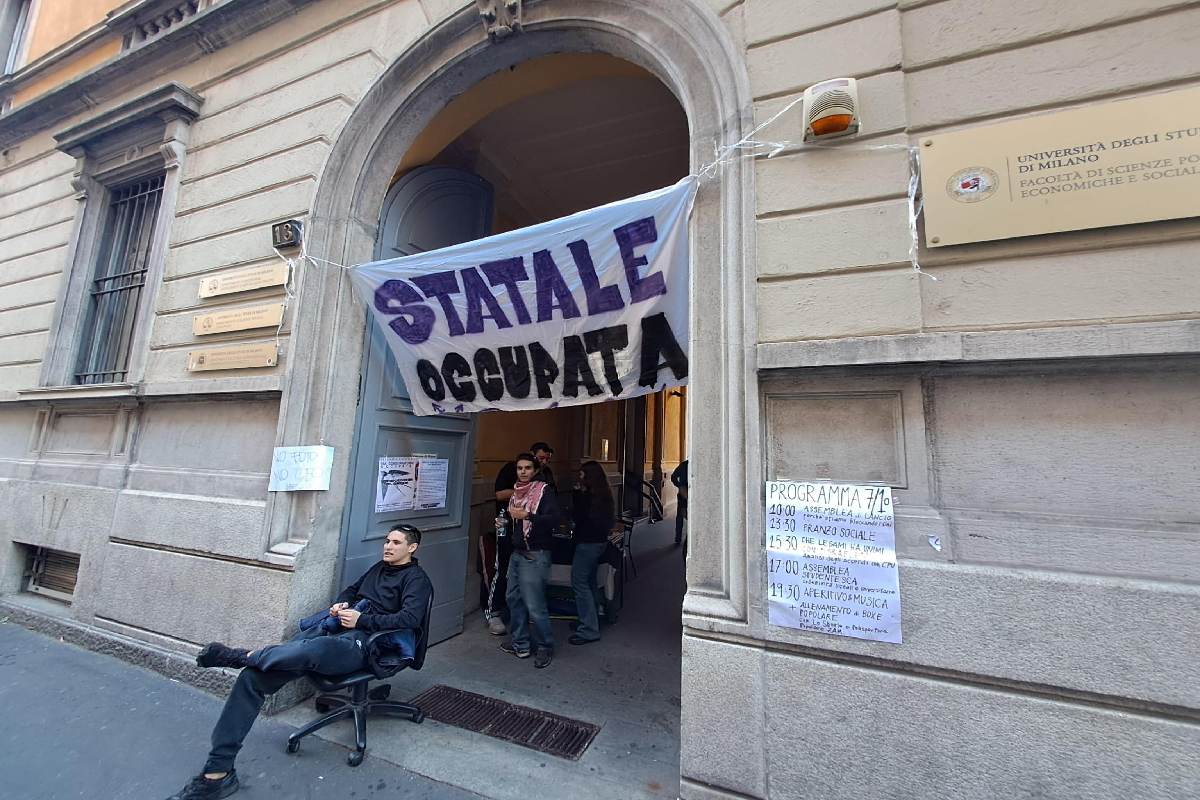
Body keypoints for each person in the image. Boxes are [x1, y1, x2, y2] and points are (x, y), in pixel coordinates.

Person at [166, 524, 432, 800]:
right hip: (339, 630)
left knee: (311, 650)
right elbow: (352, 590)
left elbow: (409, 620)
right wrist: (342, 604)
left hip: (368, 645)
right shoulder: (379, 568)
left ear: (411, 548)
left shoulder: (417, 580)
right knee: (252, 679)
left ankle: (243, 655)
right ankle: (216, 774)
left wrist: (362, 620)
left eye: (396, 543)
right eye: (387, 541)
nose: (388, 546)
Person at [483, 441, 556, 636]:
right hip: (508, 532)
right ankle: (495, 613)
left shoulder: (544, 483)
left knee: (530, 592)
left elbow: (551, 513)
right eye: (540, 458)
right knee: (503, 570)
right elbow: (499, 495)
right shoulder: (512, 474)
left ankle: (532, 637)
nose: (544, 462)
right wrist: (521, 493)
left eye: (546, 459)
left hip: (532, 543)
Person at [499, 452, 561, 668]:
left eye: (527, 468)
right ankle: (521, 643)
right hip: (517, 553)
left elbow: (554, 519)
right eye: (519, 468)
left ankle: (545, 646)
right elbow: (514, 521)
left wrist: (528, 516)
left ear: (535, 471)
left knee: (534, 604)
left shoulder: (544, 491)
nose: (523, 472)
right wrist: (505, 524)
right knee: (513, 599)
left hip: (535, 554)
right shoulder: (516, 493)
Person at [569, 460, 615, 645]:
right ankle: (591, 618)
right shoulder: (603, 495)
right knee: (589, 582)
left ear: (588, 477)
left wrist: (576, 494)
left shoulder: (587, 497)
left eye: (581, 474)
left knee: (579, 583)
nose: (579, 477)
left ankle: (589, 629)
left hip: (587, 544)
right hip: (598, 542)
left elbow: (578, 517)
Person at [671, 459, 689, 546]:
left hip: (683, 492)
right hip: (691, 492)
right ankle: (690, 537)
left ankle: (678, 537)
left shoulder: (683, 465)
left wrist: (679, 485)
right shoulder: (696, 465)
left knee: (680, 516)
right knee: (687, 515)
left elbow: (673, 477)